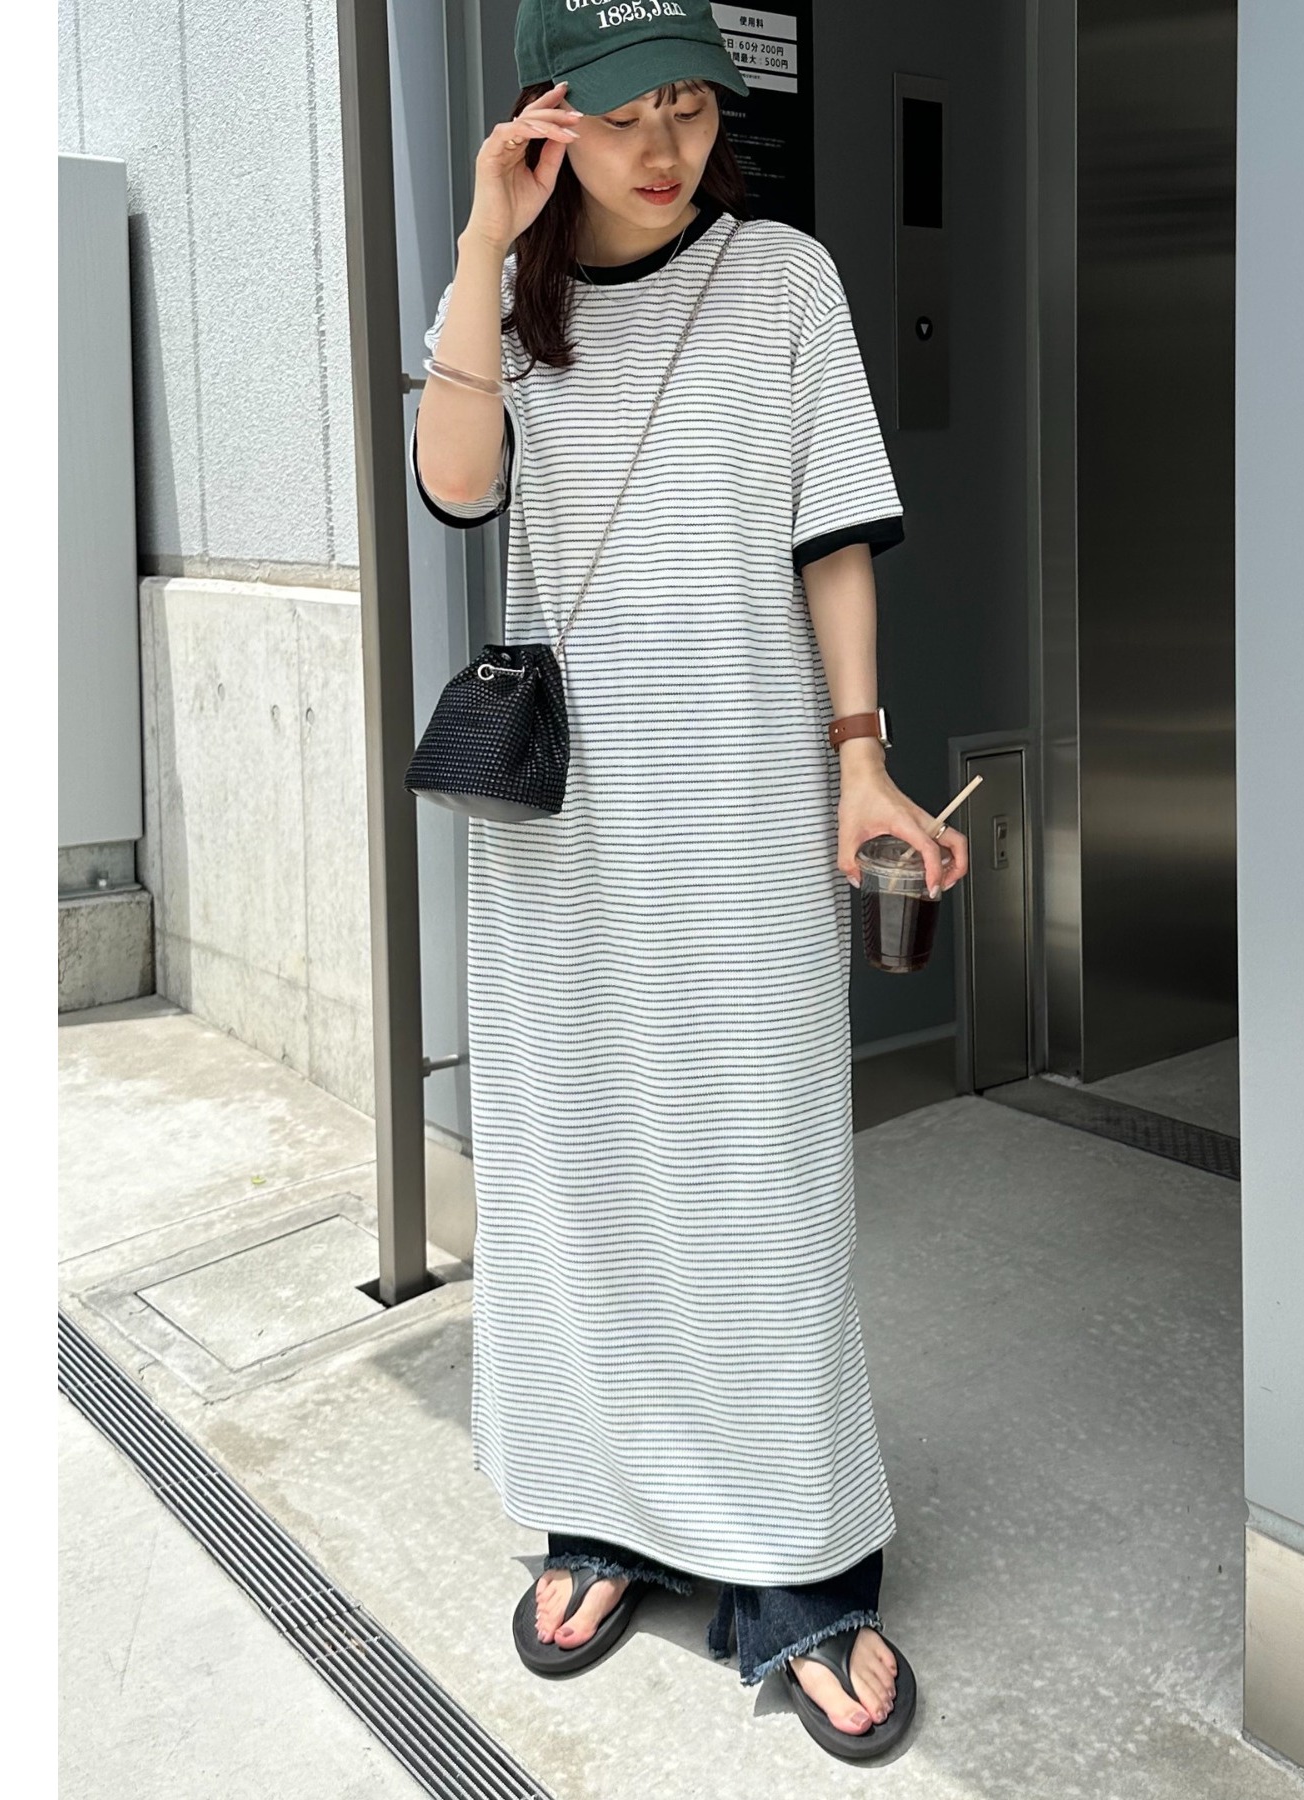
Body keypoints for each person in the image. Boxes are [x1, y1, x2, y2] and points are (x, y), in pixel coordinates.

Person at [410, 0, 967, 1761]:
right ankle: (600, 1517)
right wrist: (482, 244)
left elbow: (833, 534)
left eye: (691, 109)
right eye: (623, 114)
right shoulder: (512, 298)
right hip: (566, 831)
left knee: (759, 1179)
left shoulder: (783, 280)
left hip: (739, 803)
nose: (665, 149)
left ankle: (799, 1570)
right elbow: (455, 484)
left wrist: (859, 755)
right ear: (547, 121)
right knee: (577, 1173)